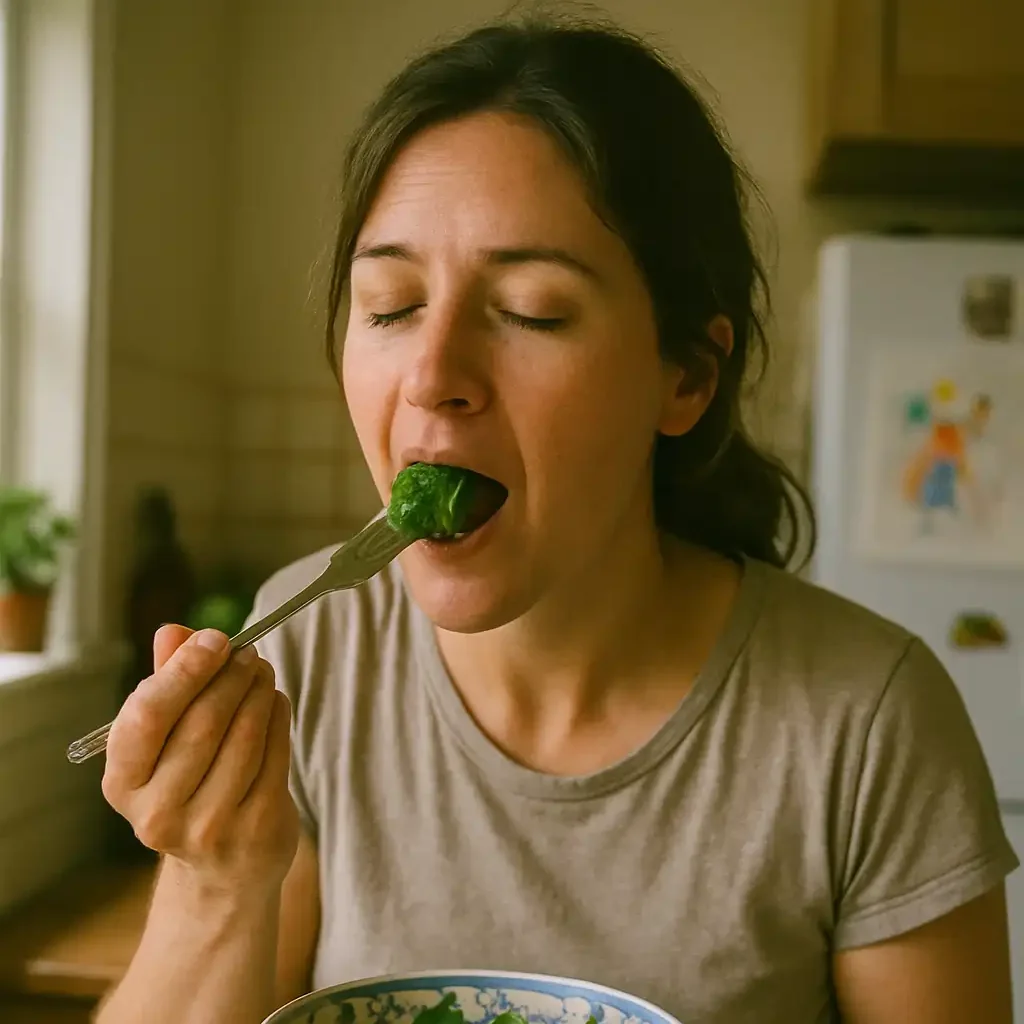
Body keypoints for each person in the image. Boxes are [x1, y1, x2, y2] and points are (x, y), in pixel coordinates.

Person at [95, 15, 1018, 1024]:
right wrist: (212, 882)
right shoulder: (307, 651)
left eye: (532, 309)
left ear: (684, 379)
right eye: (391, 304)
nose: (433, 376)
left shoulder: (867, 720)